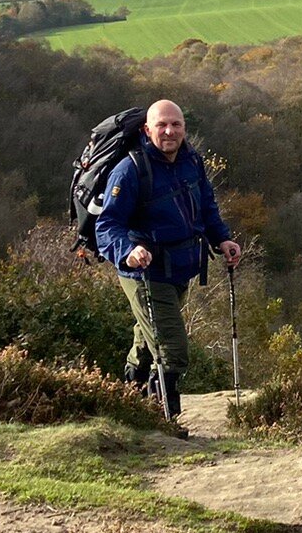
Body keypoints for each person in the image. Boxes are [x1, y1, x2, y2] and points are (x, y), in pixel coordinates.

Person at [94, 99, 240, 425]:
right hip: (146, 272)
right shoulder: (130, 169)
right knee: (172, 350)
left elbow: (206, 207)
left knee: (148, 342)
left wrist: (223, 240)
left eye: (176, 124)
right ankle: (166, 424)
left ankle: (129, 403)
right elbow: (107, 226)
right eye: (162, 125)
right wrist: (127, 251)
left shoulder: (192, 160)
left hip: (181, 268)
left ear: (185, 128)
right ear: (148, 129)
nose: (170, 131)